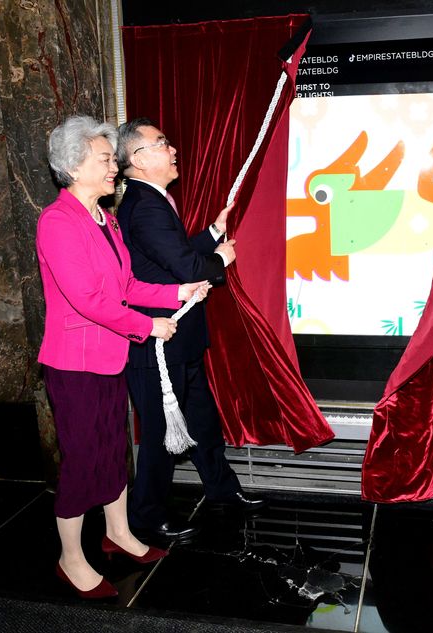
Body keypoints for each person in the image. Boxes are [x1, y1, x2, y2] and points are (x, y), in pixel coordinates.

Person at [37, 115, 210, 599]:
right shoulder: (57, 221)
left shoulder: (106, 218)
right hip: (74, 365)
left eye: (113, 158)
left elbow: (128, 285)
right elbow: (88, 299)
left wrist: (177, 290)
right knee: (82, 460)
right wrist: (147, 325)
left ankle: (118, 534)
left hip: (108, 358)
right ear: (73, 166)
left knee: (114, 451)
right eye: (105, 159)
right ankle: (71, 559)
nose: (114, 167)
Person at [114, 118, 263, 542]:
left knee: (201, 420)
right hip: (158, 341)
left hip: (181, 339)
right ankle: (146, 515)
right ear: (138, 160)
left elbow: (171, 256)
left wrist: (213, 234)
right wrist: (221, 262)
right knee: (162, 436)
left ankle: (222, 490)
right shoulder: (145, 206)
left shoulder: (154, 200)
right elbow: (187, 268)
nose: (173, 149)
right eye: (162, 143)